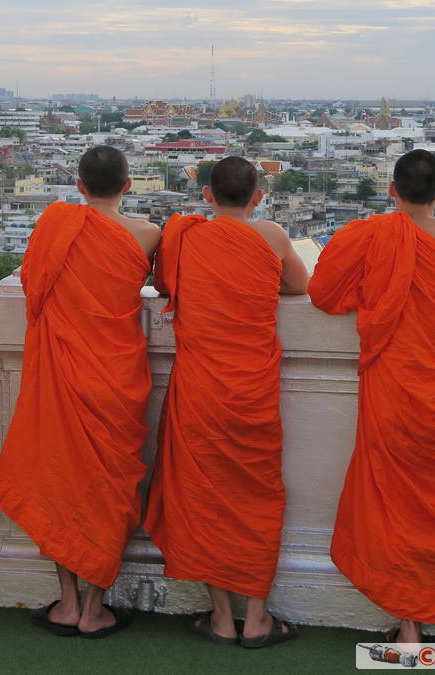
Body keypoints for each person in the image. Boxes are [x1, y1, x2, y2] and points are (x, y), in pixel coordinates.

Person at [307, 149, 435, 644]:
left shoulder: (368, 234)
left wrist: (377, 286)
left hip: (389, 393)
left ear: (391, 191)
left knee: (394, 508)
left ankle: (407, 629)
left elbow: (322, 293)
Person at [0, 145, 160, 639]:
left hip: (63, 371)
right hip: (116, 376)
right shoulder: (149, 234)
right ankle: (94, 607)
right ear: (128, 186)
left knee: (59, 482)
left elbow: (31, 282)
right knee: (107, 487)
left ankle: (66, 603)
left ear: (80, 186)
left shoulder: (55, 224)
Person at [143, 156, 308, 648]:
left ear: (208, 196)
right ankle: (256, 616)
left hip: (200, 386)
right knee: (256, 494)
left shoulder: (186, 236)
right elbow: (300, 286)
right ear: (258, 197)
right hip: (252, 388)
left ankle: (219, 616)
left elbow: (164, 286)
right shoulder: (273, 236)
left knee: (204, 495)